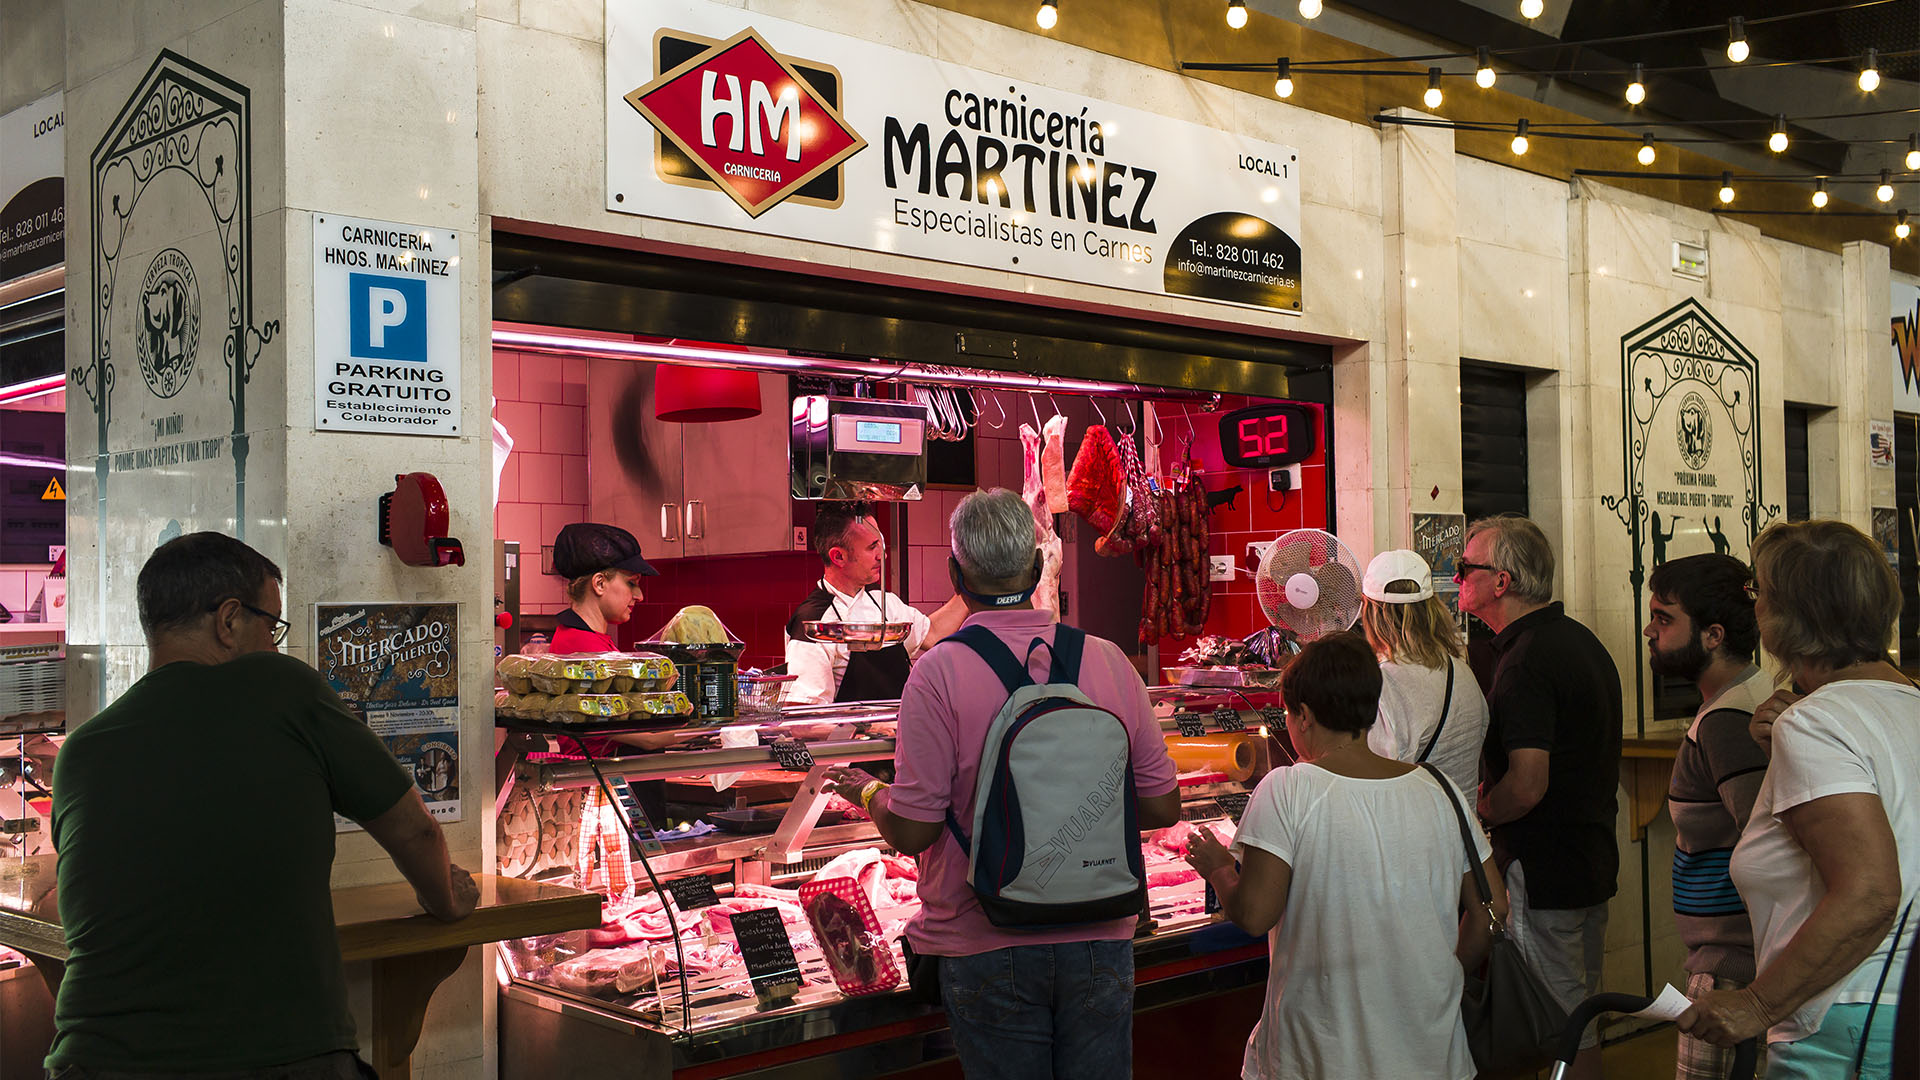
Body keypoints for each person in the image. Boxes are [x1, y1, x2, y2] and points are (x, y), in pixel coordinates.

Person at [47, 533, 477, 1078]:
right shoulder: (282, 686)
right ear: (228, 620)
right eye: (271, 626)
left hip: (91, 1061)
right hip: (273, 1056)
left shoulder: (82, 749)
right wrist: (446, 899)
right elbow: (415, 833)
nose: (274, 646)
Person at [818, 489, 1180, 1079]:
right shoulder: (1111, 660)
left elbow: (913, 830)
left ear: (955, 574)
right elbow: (1162, 805)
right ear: (1038, 569)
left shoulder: (936, 673)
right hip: (1101, 935)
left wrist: (863, 789)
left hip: (985, 941)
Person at [1184, 632, 1505, 1080]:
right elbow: (1494, 905)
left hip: (1320, 1059)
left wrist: (1219, 867)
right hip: (1432, 1055)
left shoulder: (1288, 789)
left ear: (1305, 717)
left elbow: (1255, 914)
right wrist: (1444, 974)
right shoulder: (1439, 788)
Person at [1679, 520, 1920, 1080]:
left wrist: (1757, 1005)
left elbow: (1872, 890)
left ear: (1788, 617)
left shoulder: (1817, 722)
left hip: (1845, 1019)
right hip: (1896, 1007)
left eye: (1758, 592)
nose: (1753, 605)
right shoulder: (1903, 702)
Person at [1454, 513, 1622, 1080]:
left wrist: (1481, 810)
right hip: (1587, 858)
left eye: (1464, 568)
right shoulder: (1577, 641)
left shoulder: (1526, 660)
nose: (1456, 579)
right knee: (1578, 1014)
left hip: (1543, 868)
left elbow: (1527, 784)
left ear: (1501, 581)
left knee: (1558, 1028)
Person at [1644, 553, 1771, 1080]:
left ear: (1713, 635)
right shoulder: (1756, 691)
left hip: (1733, 966)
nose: (1649, 630)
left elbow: (1764, 841)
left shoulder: (1726, 720)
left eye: (1665, 618)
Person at [785, 502, 966, 704]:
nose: (883, 555)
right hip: (855, 736)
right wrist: (869, 729)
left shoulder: (883, 602)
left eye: (880, 544)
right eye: (872, 547)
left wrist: (969, 589)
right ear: (838, 556)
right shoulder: (813, 623)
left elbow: (932, 634)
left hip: (901, 734)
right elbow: (806, 721)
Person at [1358, 548, 1490, 795]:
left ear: (1372, 611)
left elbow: (1369, 782)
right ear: (1432, 607)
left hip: (1409, 830)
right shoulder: (1462, 673)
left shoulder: (1380, 684)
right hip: (1461, 827)